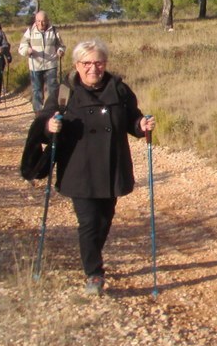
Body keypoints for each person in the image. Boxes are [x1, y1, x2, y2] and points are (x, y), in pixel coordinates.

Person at [22, 39, 156, 294]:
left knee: (105, 219)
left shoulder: (119, 90)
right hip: (78, 166)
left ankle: (93, 256)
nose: (93, 68)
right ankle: (94, 273)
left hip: (111, 164)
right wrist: (51, 127)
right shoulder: (65, 92)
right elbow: (45, 121)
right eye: (87, 63)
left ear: (105, 64)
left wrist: (142, 125)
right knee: (89, 221)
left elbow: (132, 120)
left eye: (98, 62)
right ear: (76, 65)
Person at [18, 11, 66, 112]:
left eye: (43, 21)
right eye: (38, 21)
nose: (41, 24)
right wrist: (27, 50)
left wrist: (60, 51)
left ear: (47, 20)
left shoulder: (53, 30)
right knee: (37, 90)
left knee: (53, 89)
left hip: (51, 64)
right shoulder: (30, 31)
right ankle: (38, 112)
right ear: (35, 21)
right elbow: (22, 47)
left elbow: (61, 45)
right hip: (35, 65)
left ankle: (53, 110)